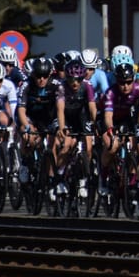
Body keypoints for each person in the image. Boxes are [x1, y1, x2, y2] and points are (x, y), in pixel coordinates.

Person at [100, 61, 139, 217]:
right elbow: (108, 117)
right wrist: (111, 130)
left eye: (129, 82)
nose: (125, 86)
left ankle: (132, 178)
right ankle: (103, 176)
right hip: (110, 119)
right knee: (112, 145)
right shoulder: (111, 92)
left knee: (136, 144)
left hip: (128, 119)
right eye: (122, 82)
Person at [54, 59, 97, 198]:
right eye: (72, 79)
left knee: (88, 146)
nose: (75, 83)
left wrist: (95, 123)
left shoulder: (87, 86)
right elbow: (60, 110)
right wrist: (61, 128)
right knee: (66, 145)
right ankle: (59, 176)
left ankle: (84, 177)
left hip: (81, 116)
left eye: (78, 80)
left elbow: (92, 107)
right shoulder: (61, 87)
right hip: (67, 116)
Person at [17, 57, 61, 188]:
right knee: (29, 138)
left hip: (49, 118)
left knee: (52, 145)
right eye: (38, 76)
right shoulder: (26, 84)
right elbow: (21, 110)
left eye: (45, 76)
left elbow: (60, 108)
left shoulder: (56, 85)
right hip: (30, 117)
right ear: (33, 74)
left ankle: (51, 178)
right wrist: (26, 127)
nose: (41, 79)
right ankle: (25, 163)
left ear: (49, 75)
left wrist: (60, 126)